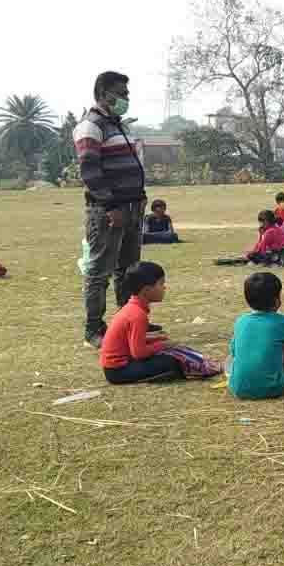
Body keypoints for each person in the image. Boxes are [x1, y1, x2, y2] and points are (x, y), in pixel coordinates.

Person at [75, 71, 148, 349]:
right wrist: (110, 206)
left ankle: (128, 319)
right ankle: (94, 328)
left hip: (131, 206)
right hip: (109, 209)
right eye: (122, 94)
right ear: (105, 93)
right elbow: (90, 171)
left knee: (128, 268)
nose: (126, 99)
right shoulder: (91, 126)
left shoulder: (117, 125)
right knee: (99, 270)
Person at [226, 272, 284, 399]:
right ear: (277, 301)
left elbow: (233, 350)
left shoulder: (241, 321)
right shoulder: (281, 322)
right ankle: (281, 383)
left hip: (238, 388)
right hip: (271, 388)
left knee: (229, 359)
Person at [99, 262, 183, 384]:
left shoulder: (132, 308)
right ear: (147, 290)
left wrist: (156, 337)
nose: (164, 287)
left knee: (169, 357)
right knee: (172, 362)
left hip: (115, 367)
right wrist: (164, 345)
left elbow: (132, 339)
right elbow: (139, 353)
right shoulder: (138, 315)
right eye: (161, 284)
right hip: (118, 371)